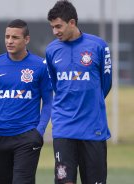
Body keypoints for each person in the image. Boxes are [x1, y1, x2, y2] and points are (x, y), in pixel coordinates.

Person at [45, 1, 112, 183]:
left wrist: (90, 103)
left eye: (58, 26)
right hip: (64, 128)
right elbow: (56, 85)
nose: (55, 32)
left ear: (72, 22)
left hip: (93, 128)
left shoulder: (99, 46)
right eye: (52, 27)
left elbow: (105, 84)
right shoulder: (51, 50)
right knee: (64, 180)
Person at [0, 19, 53, 184]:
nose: (9, 41)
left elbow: (48, 102)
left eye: (15, 37)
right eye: (7, 37)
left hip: (27, 137)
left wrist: (39, 132)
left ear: (26, 40)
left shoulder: (40, 65)